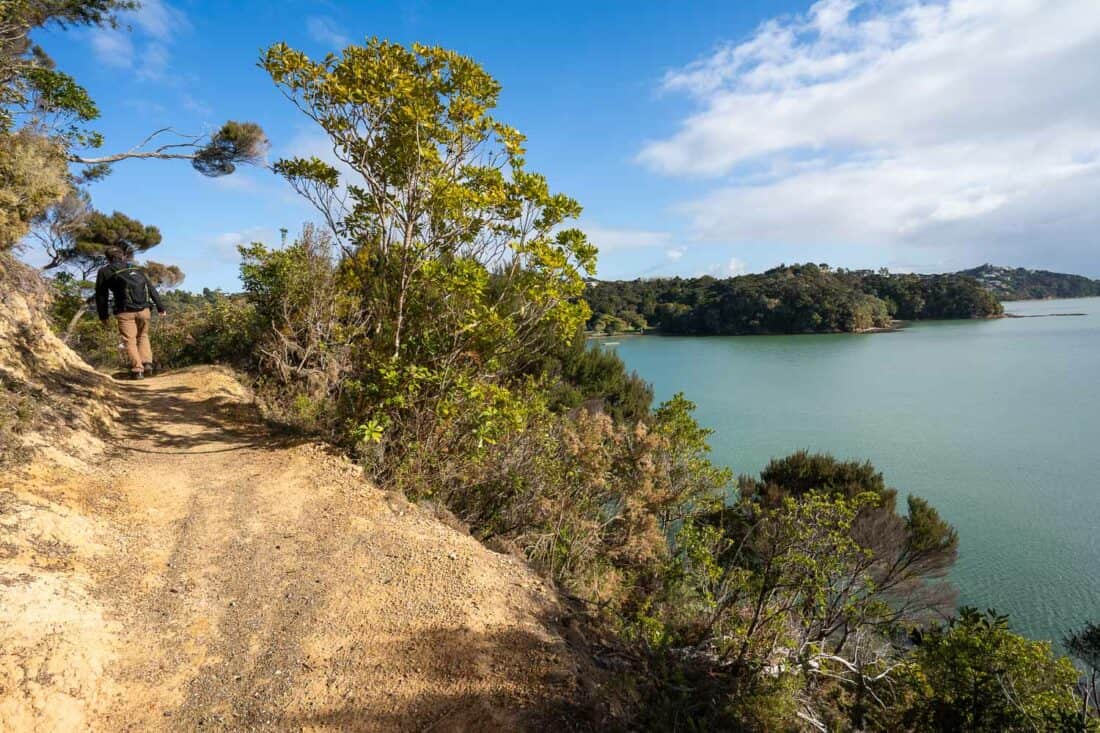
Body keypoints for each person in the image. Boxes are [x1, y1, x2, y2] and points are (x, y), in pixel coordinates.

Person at [94, 247, 166, 380]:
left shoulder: (104, 271)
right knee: (143, 335)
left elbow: (101, 296)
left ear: (108, 258)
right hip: (144, 310)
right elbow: (150, 288)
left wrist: (103, 316)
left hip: (124, 311)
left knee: (130, 340)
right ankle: (147, 363)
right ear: (123, 256)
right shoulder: (136, 269)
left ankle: (138, 370)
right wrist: (161, 307)